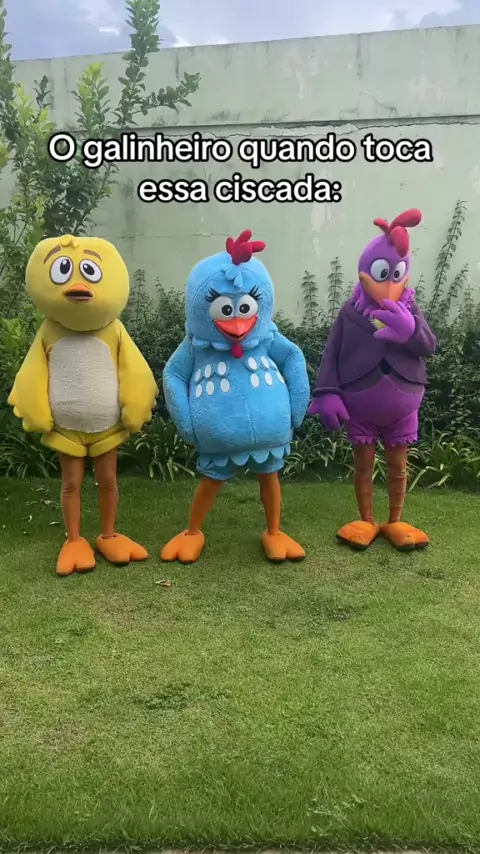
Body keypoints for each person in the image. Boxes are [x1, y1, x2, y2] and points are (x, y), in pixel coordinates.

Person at [8, 234, 158, 576]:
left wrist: (136, 406)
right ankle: (74, 539)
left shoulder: (114, 330)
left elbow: (134, 369)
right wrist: (35, 410)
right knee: (70, 483)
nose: (77, 285)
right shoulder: (49, 330)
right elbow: (32, 372)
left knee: (108, 479)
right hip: (66, 429)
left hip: (107, 426)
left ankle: (109, 534)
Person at [160, 229, 310, 564]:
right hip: (220, 437)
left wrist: (296, 409)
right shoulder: (196, 346)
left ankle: (274, 532)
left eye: (244, 307)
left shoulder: (267, 337)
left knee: (269, 477)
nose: (238, 321)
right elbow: (174, 374)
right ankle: (192, 531)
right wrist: (187, 424)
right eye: (227, 309)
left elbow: (293, 357)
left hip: (269, 434)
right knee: (212, 480)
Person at [309, 209, 436, 551]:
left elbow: (429, 346)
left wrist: (411, 331)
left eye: (396, 274)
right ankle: (366, 520)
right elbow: (331, 354)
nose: (390, 283)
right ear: (364, 271)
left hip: (402, 403)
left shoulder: (410, 308)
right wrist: (327, 393)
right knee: (363, 464)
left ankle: (395, 520)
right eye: (382, 273)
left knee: (398, 464)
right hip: (360, 404)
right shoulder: (350, 312)